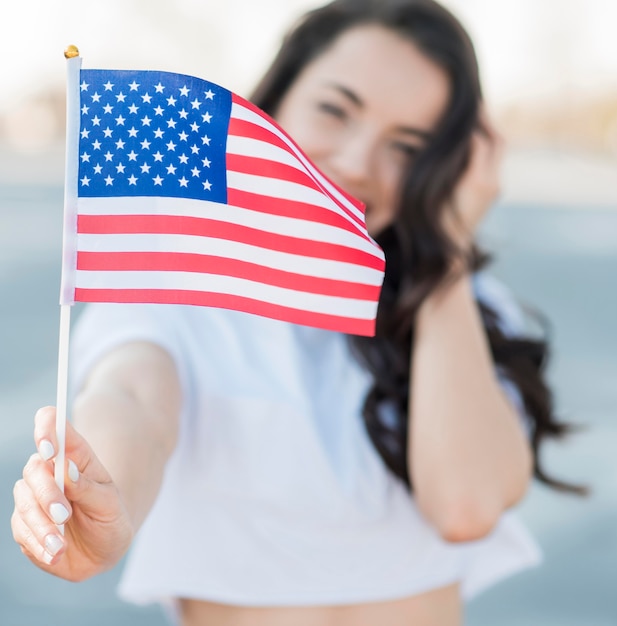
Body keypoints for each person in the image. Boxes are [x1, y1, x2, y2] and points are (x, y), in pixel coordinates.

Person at [12, 1, 581, 625]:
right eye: (335, 110)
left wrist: (445, 260)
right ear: (276, 100)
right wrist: (98, 493)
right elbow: (135, 401)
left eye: (409, 145)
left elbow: (466, 507)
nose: (359, 163)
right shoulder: (178, 295)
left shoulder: (466, 309)